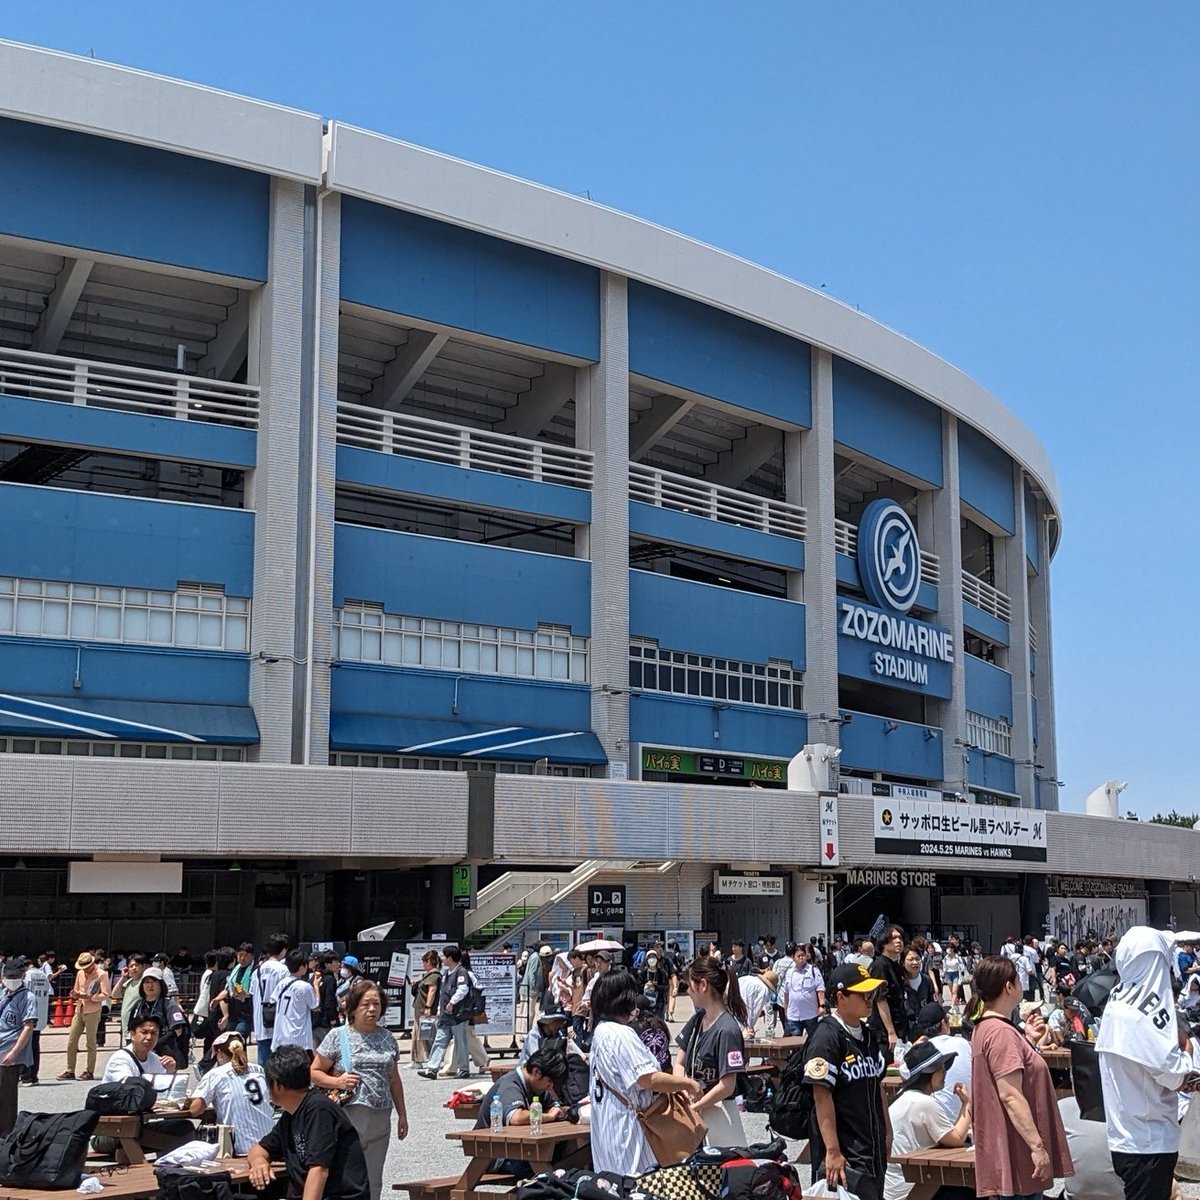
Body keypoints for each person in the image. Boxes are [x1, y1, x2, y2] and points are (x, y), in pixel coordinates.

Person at [1097, 926, 1200, 1200]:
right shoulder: (1144, 1011)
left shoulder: (1117, 1001)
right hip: (1149, 1140)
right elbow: (1175, 1075)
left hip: (1125, 1134)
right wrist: (1188, 1051)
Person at [970, 954, 1072, 1200]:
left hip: (1007, 1154)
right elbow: (1010, 1095)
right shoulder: (1001, 1032)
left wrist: (1027, 1042)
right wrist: (1037, 1147)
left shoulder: (986, 1028)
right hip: (1017, 1155)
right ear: (1009, 986)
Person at [588, 970, 700, 1176]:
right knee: (639, 1185)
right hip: (628, 1129)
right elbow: (649, 1078)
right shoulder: (620, 1033)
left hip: (608, 1123)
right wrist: (687, 1083)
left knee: (612, 1185)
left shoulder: (601, 1030)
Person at [311, 979, 409, 1200]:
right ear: (353, 1007)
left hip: (381, 1115)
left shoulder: (387, 1037)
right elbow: (314, 1071)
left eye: (376, 1004)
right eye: (366, 1004)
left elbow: (394, 1079)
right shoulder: (338, 1036)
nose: (372, 1009)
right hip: (349, 1115)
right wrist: (337, 1082)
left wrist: (402, 1114)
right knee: (348, 1176)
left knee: (374, 1178)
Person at [802, 964, 891, 1200]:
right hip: (845, 1152)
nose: (869, 999)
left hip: (871, 1147)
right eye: (863, 994)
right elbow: (821, 1095)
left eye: (871, 994)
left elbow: (877, 1085)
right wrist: (832, 1151)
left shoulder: (867, 1033)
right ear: (841, 997)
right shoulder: (826, 1037)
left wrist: (887, 1133)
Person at [248, 1044, 370, 1200]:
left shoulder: (319, 1110)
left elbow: (319, 1170)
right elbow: (259, 1149)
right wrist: (259, 1162)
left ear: (277, 1085)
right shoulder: (290, 1115)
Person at [883, 1040, 972, 1200]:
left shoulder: (903, 1096)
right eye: (941, 1070)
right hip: (911, 1190)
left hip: (895, 1187)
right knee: (973, 1190)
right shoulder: (924, 1103)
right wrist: (967, 1103)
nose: (945, 1074)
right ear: (928, 1073)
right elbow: (957, 1139)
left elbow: (950, 1135)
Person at [674, 955, 748, 1147]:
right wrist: (684, 1089)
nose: (688, 991)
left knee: (718, 1171)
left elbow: (728, 1085)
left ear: (703, 985)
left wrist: (697, 1105)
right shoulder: (698, 1020)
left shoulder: (728, 1029)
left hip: (718, 1114)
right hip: (693, 1111)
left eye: (690, 985)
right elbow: (679, 1062)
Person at [474, 1047, 570, 1177]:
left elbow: (554, 1105)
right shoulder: (511, 1084)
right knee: (546, 1169)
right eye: (549, 1082)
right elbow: (516, 1117)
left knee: (568, 1155)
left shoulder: (537, 1087)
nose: (551, 1087)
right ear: (536, 1072)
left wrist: (557, 1108)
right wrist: (549, 1116)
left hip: (517, 1148)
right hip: (496, 1155)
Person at [188, 1030, 275, 1155]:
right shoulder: (259, 1070)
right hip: (271, 1144)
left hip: (241, 1148)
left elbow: (194, 1110)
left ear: (220, 1054)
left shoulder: (216, 1074)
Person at [898, 1002, 973, 1123]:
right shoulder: (963, 1043)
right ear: (944, 1024)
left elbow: (904, 1074)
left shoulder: (921, 1051)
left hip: (934, 1122)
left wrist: (913, 1048)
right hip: (964, 1119)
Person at [417, 945, 471, 1080]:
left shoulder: (461, 972)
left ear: (450, 958)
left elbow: (463, 989)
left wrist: (452, 1002)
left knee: (460, 1041)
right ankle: (432, 1068)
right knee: (439, 1040)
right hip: (446, 1015)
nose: (442, 958)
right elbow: (442, 994)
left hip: (458, 1014)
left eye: (445, 956)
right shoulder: (446, 973)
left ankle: (464, 1068)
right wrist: (441, 1010)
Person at [57, 951, 110, 1080]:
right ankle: (70, 1070)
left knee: (90, 1042)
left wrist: (92, 997)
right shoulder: (80, 973)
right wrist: (75, 994)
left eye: (86, 967)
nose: (84, 969)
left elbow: (106, 994)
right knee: (72, 1040)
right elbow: (76, 989)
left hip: (93, 1010)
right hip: (79, 1008)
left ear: (92, 964)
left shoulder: (101, 974)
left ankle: (89, 1071)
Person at [0, 959, 37, 1135]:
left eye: (15, 977)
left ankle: (6, 1134)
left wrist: (14, 1052)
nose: (11, 980)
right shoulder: (2, 993)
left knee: (7, 1097)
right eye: (8, 977)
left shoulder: (27, 997)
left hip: (9, 1051)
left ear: (22, 976)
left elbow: (28, 1026)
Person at [127, 966, 190, 1069]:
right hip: (143, 1055)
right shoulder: (138, 1005)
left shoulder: (169, 1003)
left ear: (161, 984)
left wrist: (156, 1042)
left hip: (166, 1054)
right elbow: (131, 1029)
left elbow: (178, 1029)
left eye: (154, 981)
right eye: (146, 982)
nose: (150, 985)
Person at [870, 926, 908, 1058]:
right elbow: (880, 999)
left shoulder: (897, 966)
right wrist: (890, 1032)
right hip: (884, 1033)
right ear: (883, 943)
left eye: (900, 938)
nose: (898, 941)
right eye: (893, 938)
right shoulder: (880, 965)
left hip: (899, 1027)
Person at [272, 949, 320, 1053]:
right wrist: (316, 986)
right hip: (299, 1038)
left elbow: (274, 999)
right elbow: (315, 1005)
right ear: (303, 966)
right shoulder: (304, 986)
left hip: (280, 1036)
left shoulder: (282, 983)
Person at [253, 933, 291, 1066]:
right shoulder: (283, 970)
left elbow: (252, 992)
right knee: (278, 1062)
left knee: (263, 1060)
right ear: (283, 950)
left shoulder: (257, 970)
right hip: (277, 1019)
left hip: (259, 1019)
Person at [782, 942, 826, 1038]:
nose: (801, 958)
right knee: (795, 1044)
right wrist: (786, 1010)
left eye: (803, 955)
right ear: (793, 958)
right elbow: (786, 993)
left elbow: (820, 989)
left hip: (811, 1015)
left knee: (813, 1042)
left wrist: (822, 1005)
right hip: (794, 1015)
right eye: (799, 956)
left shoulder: (813, 970)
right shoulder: (789, 973)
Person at [19, 955, 50, 1086]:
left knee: (25, 1047)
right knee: (35, 1046)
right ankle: (34, 1076)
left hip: (29, 1015)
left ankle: (26, 1076)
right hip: (41, 1014)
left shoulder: (27, 976)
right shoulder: (43, 975)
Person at [410, 950, 440, 1068]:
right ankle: (417, 1059)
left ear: (429, 962)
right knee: (418, 1033)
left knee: (423, 1034)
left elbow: (432, 990)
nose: (423, 965)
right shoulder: (429, 975)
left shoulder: (433, 975)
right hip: (420, 1007)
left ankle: (422, 1058)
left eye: (424, 962)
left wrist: (428, 1006)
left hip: (424, 1008)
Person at [900, 944, 934, 1033]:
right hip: (905, 1030)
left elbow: (931, 1003)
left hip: (925, 1029)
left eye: (917, 959)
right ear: (903, 962)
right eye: (911, 960)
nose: (915, 963)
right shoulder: (899, 982)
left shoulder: (926, 980)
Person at [226, 943, 256, 1038]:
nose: (242, 958)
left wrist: (246, 995)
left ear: (252, 956)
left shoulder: (255, 970)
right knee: (231, 1039)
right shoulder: (235, 970)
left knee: (239, 1036)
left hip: (246, 1012)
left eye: (246, 955)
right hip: (234, 1010)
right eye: (240, 955)